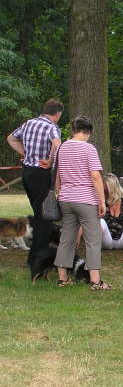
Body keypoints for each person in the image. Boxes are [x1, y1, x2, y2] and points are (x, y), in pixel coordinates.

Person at [53, 116, 112, 289]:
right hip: (86, 199)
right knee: (92, 240)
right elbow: (95, 176)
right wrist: (102, 201)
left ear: (73, 130)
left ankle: (62, 278)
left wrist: (60, 192)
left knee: (66, 238)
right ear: (89, 132)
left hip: (66, 198)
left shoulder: (61, 147)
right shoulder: (89, 149)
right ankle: (95, 281)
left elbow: (58, 175)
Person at [7, 98, 63, 265]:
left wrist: (25, 154)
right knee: (44, 218)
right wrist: (50, 160)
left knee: (39, 214)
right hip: (41, 173)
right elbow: (57, 143)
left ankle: (36, 256)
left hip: (27, 174)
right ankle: (37, 258)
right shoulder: (52, 127)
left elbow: (11, 138)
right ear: (58, 113)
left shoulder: (28, 123)